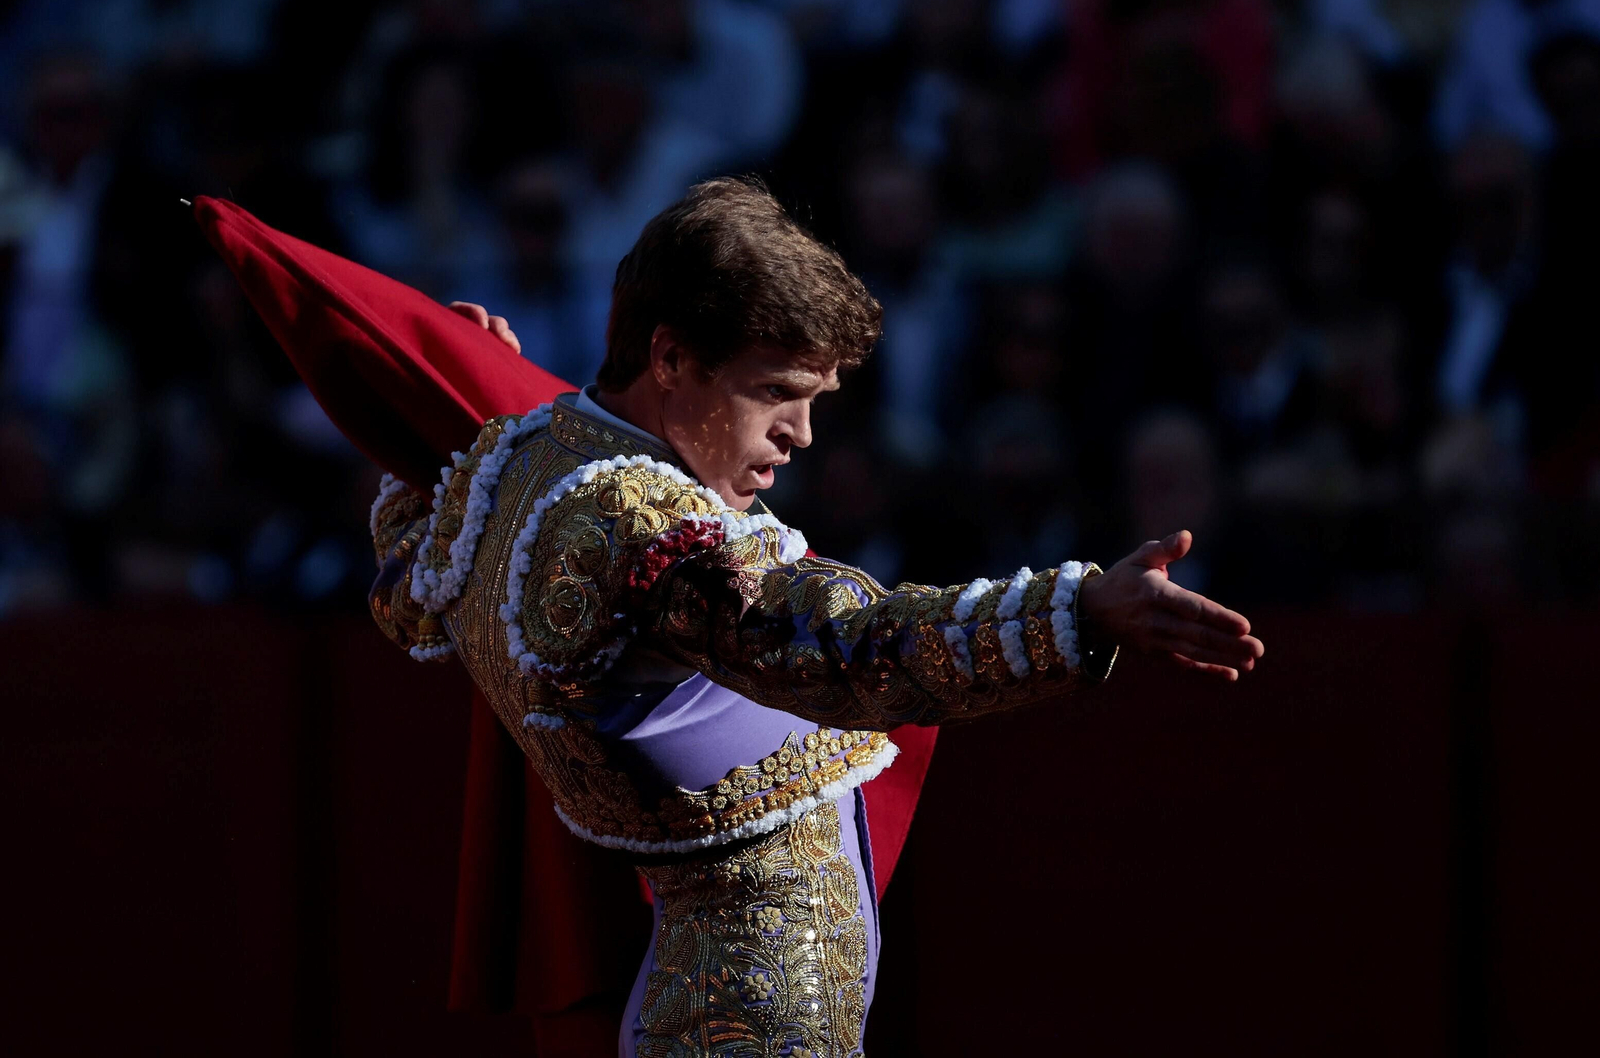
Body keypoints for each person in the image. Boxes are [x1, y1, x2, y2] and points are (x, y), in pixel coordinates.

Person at [367, 177, 1263, 1055]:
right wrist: (1081, 609)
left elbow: (409, 593)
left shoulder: (517, 458)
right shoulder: (639, 528)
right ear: (670, 358)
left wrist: (440, 456)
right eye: (776, 391)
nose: (800, 433)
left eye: (813, 397)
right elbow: (847, 646)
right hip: (753, 984)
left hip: (698, 965)